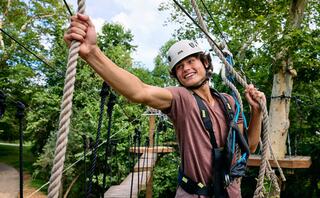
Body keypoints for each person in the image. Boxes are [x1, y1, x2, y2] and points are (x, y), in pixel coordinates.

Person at [64, 13, 265, 198]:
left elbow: (251, 144)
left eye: (191, 61)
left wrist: (256, 111)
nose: (185, 68)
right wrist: (92, 52)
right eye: (179, 67)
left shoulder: (228, 102)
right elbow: (139, 91)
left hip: (231, 193)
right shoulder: (181, 99)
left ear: (205, 63)